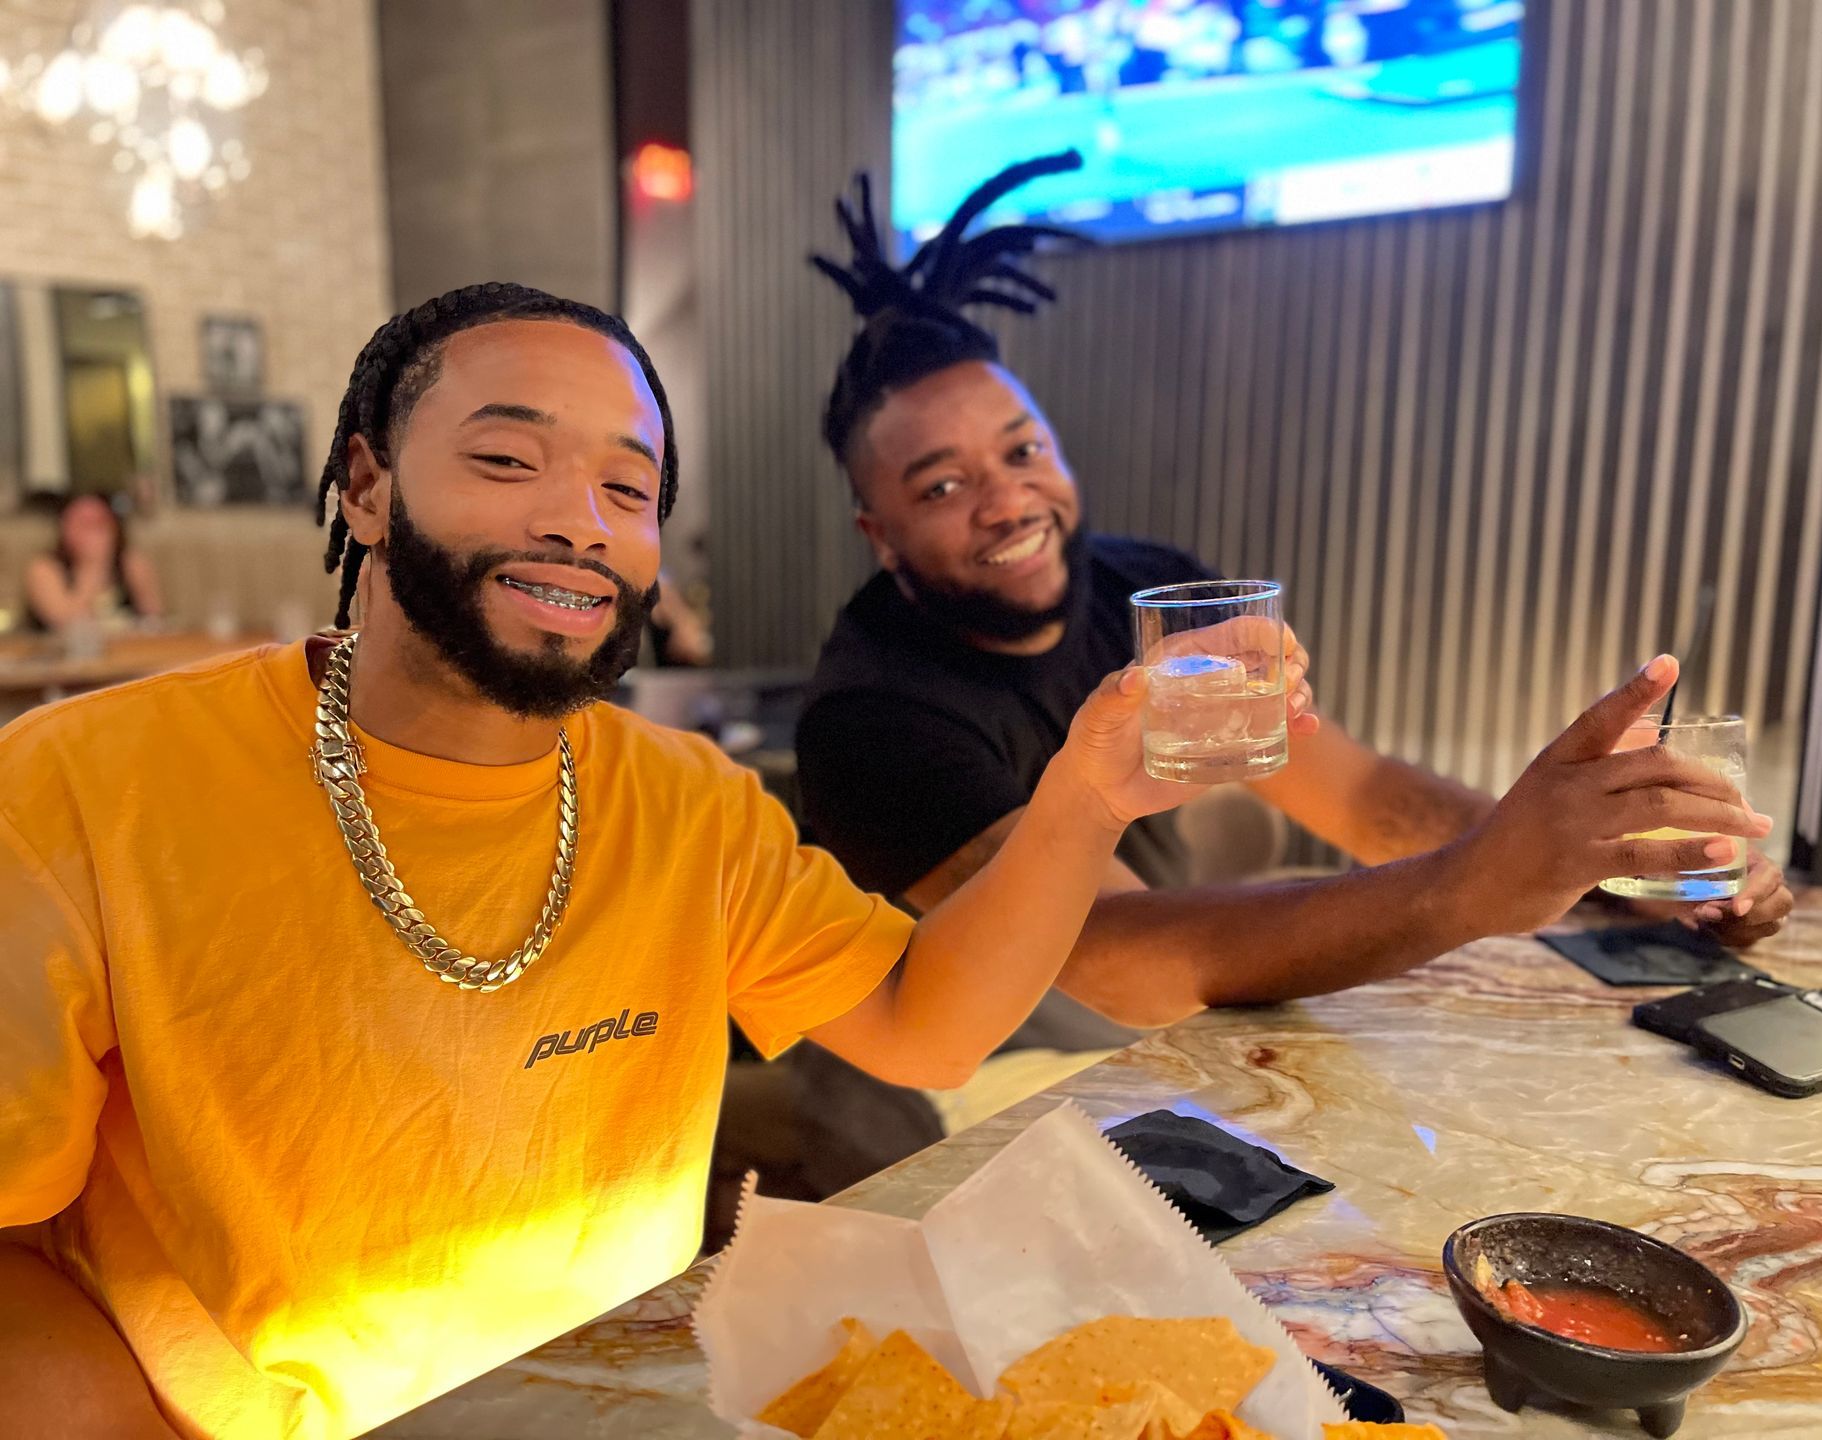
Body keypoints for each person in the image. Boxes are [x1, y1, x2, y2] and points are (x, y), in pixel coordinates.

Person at [0, 282, 1209, 1440]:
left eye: (627, 487)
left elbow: (923, 1025)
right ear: (365, 486)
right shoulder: (84, 787)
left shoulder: (689, 806)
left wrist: (1088, 795)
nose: (579, 519)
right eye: (508, 461)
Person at [796, 151, 1790, 1051]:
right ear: (879, 537)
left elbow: (1363, 799)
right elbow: (1118, 962)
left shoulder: (1146, 593)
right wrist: (1478, 888)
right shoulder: (874, 718)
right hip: (970, 1106)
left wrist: (1607, 874)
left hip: (1169, 1057)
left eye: (1022, 451)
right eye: (941, 486)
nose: (1008, 500)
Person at [22, 493, 164, 632]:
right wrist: (93, 567)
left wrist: (138, 577)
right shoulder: (44, 568)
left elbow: (155, 618)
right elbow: (64, 621)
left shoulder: (130, 562)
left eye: (99, 523)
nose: (93, 533)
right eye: (83, 523)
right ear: (65, 528)